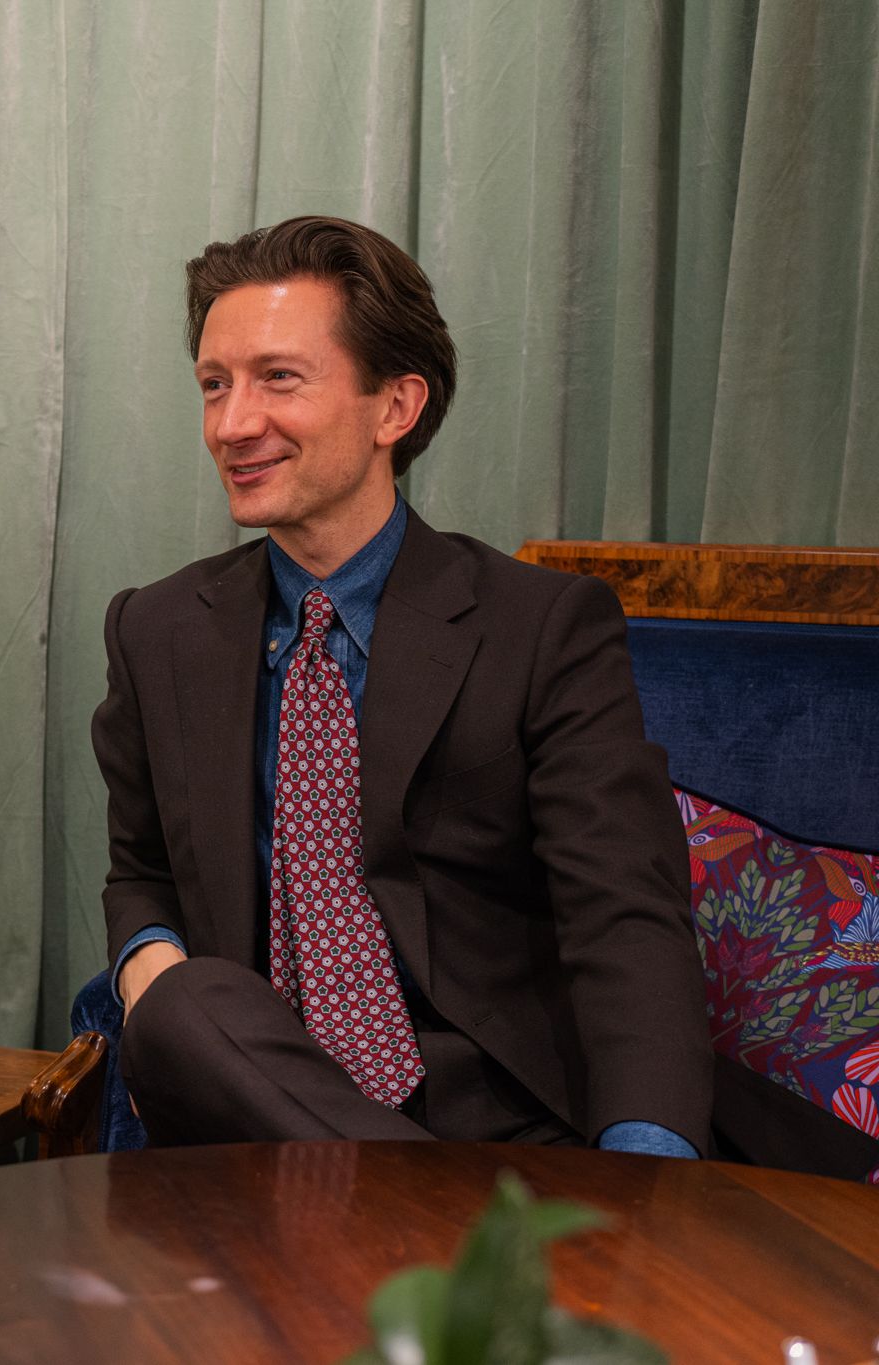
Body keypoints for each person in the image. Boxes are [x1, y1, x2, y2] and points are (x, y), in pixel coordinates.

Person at [95, 215, 712, 1156]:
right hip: (260, 1097)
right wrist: (149, 967)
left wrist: (646, 1175)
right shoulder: (157, 630)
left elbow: (624, 910)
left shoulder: (541, 627)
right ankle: (456, 1249)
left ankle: (426, 1236)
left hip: (505, 1113)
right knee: (186, 1003)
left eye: (278, 379)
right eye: (214, 386)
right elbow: (140, 870)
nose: (232, 424)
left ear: (396, 407)